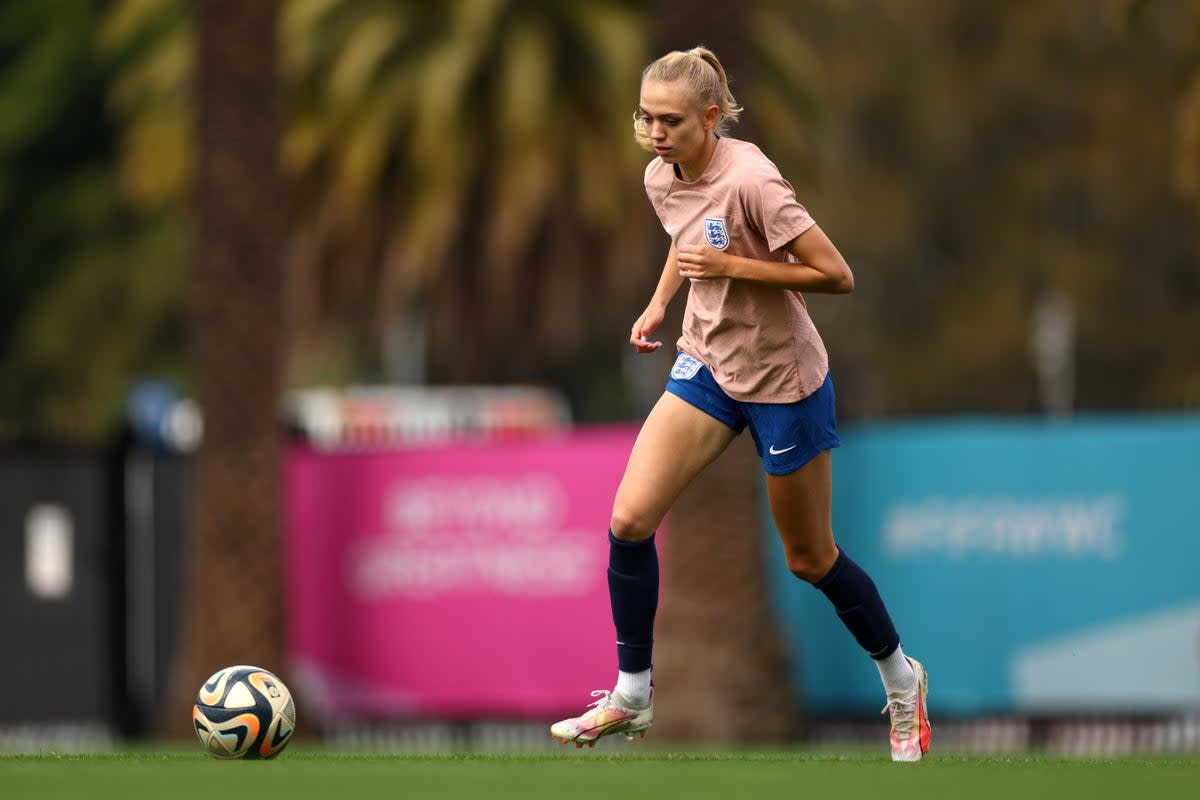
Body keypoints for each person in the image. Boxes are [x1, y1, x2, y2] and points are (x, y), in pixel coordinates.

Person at [549, 46, 930, 762]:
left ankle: (902, 681)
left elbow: (835, 274)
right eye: (646, 119)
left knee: (809, 558)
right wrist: (660, 304)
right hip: (708, 364)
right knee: (629, 519)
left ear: (711, 117)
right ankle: (632, 695)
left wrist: (730, 267)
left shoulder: (755, 181)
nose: (655, 134)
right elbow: (684, 237)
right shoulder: (661, 175)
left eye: (670, 121)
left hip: (785, 381)